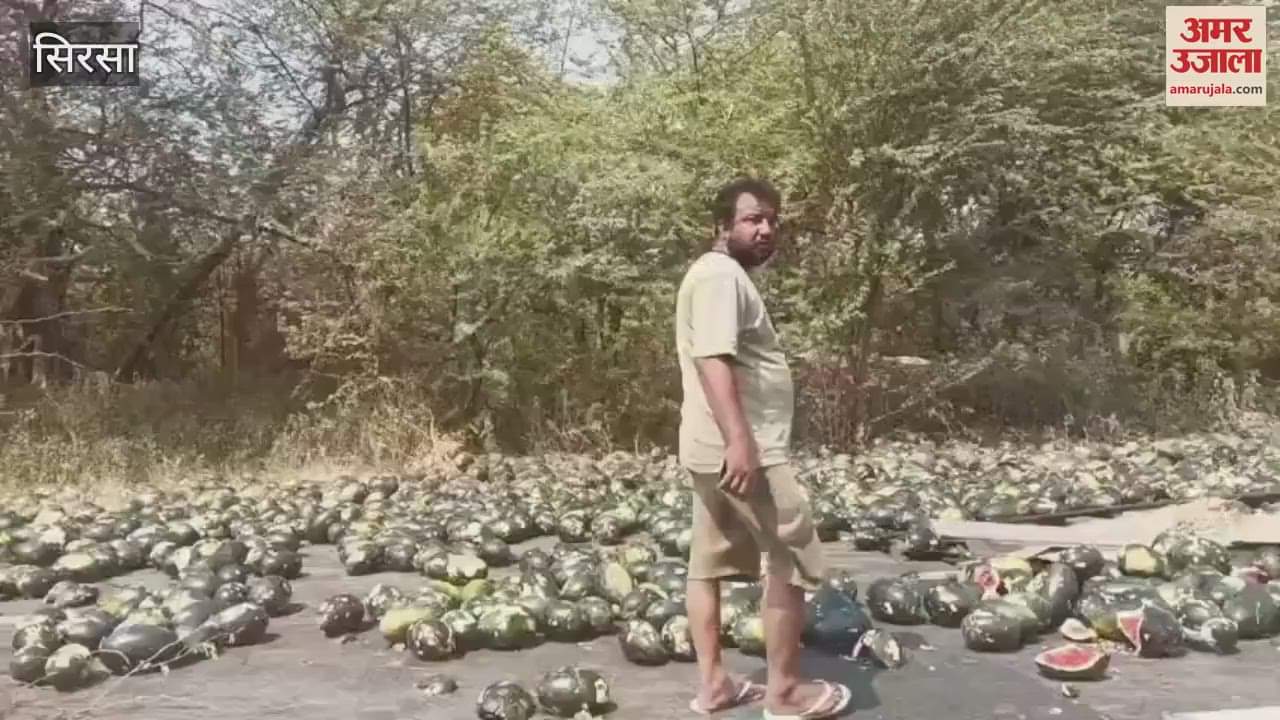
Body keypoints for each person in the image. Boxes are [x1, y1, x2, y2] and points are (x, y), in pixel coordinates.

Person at [675, 177, 852, 719]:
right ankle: (784, 693)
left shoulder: (718, 277)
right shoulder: (719, 277)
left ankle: (715, 687)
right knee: (791, 559)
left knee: (706, 564)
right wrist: (742, 443)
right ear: (720, 227)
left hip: (713, 448)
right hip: (742, 451)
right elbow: (713, 360)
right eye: (752, 219)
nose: (766, 229)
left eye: (772, 219)